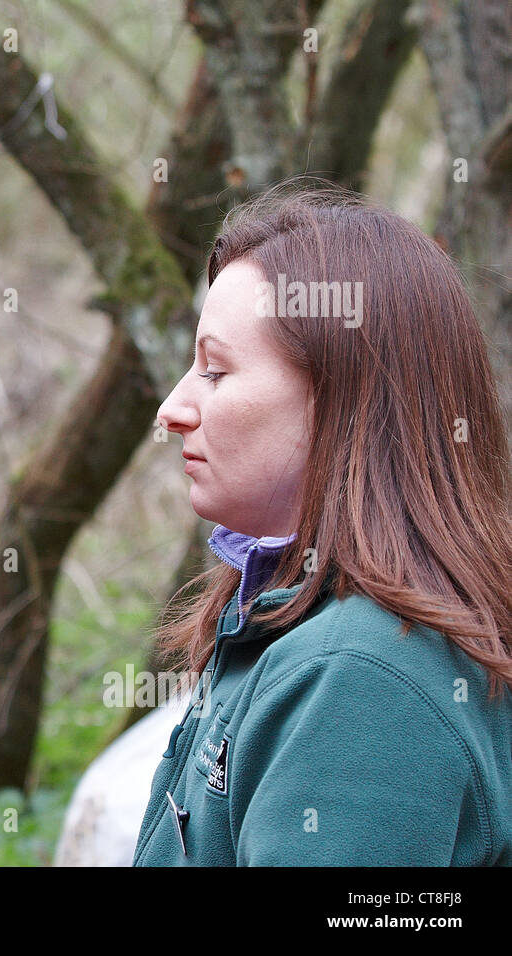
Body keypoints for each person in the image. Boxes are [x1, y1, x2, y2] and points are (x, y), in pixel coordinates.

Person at [136, 185, 512, 866]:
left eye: (217, 372)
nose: (172, 410)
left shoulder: (362, 679)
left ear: (344, 398)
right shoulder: (304, 626)